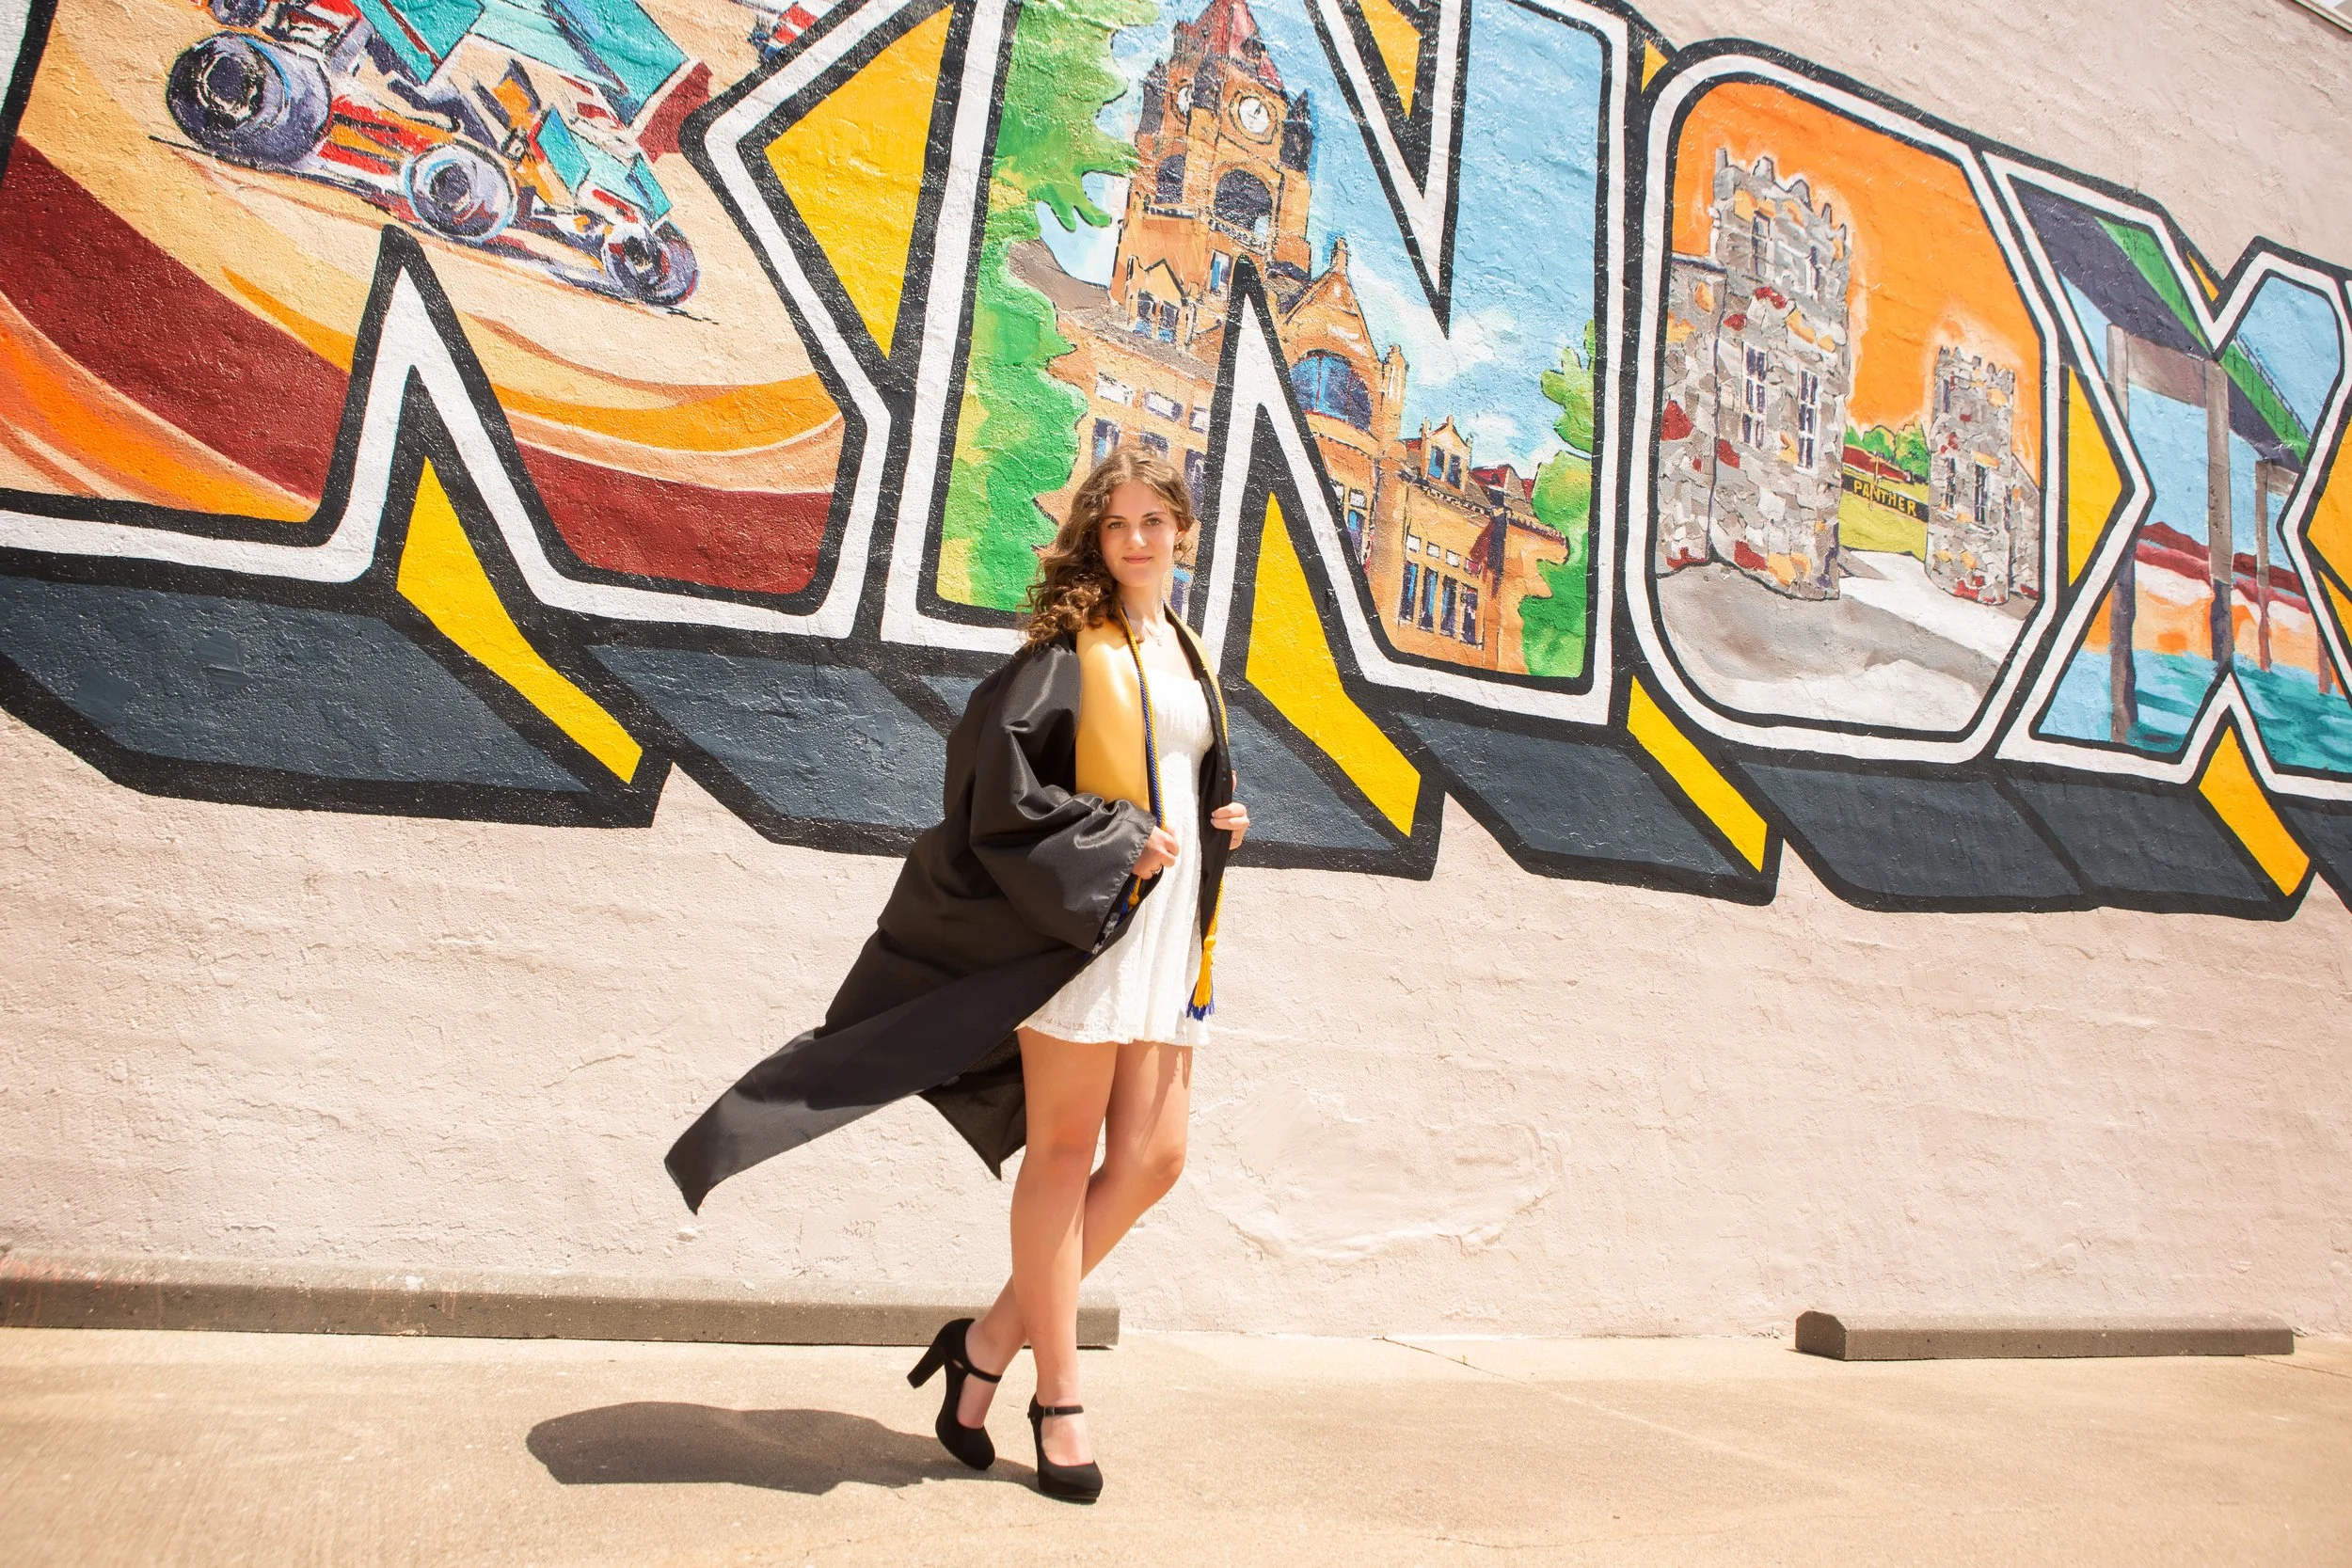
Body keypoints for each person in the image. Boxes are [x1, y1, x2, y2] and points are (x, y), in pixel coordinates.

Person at [665, 449, 1248, 1504]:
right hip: (1083, 935)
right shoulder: (1066, 650)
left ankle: (984, 1342)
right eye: (1116, 523)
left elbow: (1173, 766)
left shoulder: (1185, 648)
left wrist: (1219, 815)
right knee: (1066, 1151)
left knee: (1155, 1159)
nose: (1136, 540)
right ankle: (1056, 1394)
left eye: (1154, 520)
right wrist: (1119, 844)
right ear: (1093, 537)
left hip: (1171, 935)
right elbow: (995, 787)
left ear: (1183, 532)